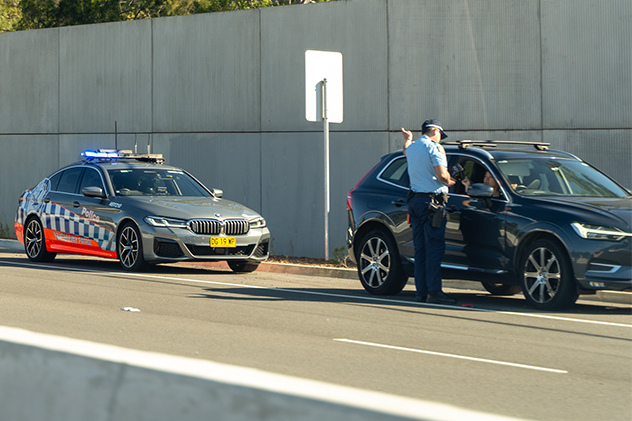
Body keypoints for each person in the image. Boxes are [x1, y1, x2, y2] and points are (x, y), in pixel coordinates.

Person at [401, 119, 457, 305]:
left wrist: (408, 139)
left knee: (421, 249)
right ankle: (434, 291)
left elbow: (405, 150)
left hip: (415, 202)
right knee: (434, 248)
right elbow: (441, 175)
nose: (440, 138)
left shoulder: (413, 147)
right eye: (440, 134)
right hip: (432, 203)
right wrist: (450, 181)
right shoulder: (435, 148)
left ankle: (421, 292)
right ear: (434, 131)